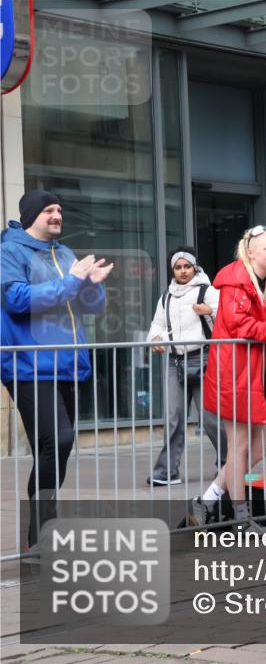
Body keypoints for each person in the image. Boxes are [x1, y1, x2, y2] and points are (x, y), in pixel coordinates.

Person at [1, 190, 113, 552]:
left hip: (67, 365)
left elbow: (90, 306)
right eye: (48, 210)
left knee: (54, 451)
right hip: (29, 366)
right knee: (58, 441)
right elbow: (16, 300)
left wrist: (92, 286)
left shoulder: (66, 253)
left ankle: (41, 535)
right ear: (31, 215)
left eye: (59, 210)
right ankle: (42, 537)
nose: (56, 215)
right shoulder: (10, 252)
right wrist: (72, 282)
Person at [188, 226, 266, 533]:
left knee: (258, 450)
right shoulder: (235, 283)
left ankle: (208, 500)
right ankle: (241, 518)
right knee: (240, 447)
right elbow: (242, 327)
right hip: (234, 373)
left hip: (255, 373)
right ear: (250, 252)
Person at [146, 246, 227, 486]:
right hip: (175, 361)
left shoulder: (208, 290)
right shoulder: (167, 296)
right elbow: (158, 323)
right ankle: (167, 471)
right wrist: (156, 338)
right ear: (173, 270)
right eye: (178, 267)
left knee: (211, 417)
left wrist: (210, 310)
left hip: (203, 358)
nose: (183, 271)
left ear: (195, 267)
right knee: (173, 417)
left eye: (187, 266)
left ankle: (228, 466)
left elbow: (228, 315)